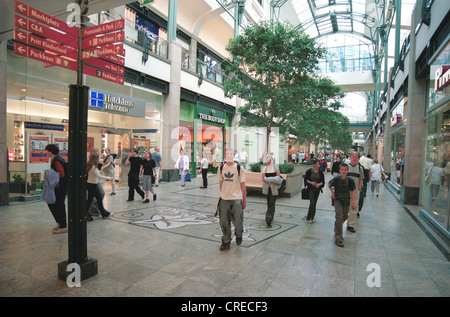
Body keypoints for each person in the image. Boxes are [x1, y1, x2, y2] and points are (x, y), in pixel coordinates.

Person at [217, 148, 247, 251]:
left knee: (238, 221)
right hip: (224, 199)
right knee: (224, 222)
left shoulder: (239, 168)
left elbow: (243, 185)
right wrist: (223, 194)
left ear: (234, 155)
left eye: (231, 154)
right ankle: (226, 241)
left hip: (236, 199)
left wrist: (244, 200)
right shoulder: (221, 168)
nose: (229, 155)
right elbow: (221, 183)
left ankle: (239, 234)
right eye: (227, 154)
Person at [328, 163, 356, 247]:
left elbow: (353, 191)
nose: (343, 171)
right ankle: (339, 237)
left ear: (347, 171)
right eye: (342, 170)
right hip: (338, 200)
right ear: (340, 170)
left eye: (345, 170)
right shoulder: (336, 179)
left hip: (346, 201)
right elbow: (329, 184)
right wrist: (332, 193)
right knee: (339, 216)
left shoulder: (350, 180)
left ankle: (337, 227)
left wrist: (353, 202)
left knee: (345, 217)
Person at [44, 144, 68, 234]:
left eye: (47, 151)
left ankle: (63, 225)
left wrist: (51, 175)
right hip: (59, 186)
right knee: (55, 204)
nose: (46, 153)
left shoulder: (57, 161)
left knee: (59, 204)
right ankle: (60, 222)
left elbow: (61, 174)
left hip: (60, 186)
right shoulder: (56, 160)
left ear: (51, 152)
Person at [86, 153, 112, 220]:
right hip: (93, 185)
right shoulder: (94, 167)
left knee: (98, 199)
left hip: (92, 184)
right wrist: (109, 178)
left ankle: (103, 213)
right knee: (90, 200)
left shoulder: (90, 165)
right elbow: (99, 176)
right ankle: (85, 214)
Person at [262, 154, 282, 228]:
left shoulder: (276, 168)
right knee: (269, 203)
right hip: (267, 188)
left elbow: (278, 178)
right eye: (268, 160)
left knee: (272, 203)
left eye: (270, 160)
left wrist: (271, 180)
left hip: (274, 188)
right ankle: (269, 217)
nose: (269, 161)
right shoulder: (265, 169)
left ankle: (269, 220)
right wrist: (272, 180)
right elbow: (263, 179)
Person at [346, 151, 364, 233]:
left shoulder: (360, 168)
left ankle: (351, 225)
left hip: (356, 190)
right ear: (350, 157)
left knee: (354, 207)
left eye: (356, 157)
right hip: (346, 190)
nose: (354, 158)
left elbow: (361, 179)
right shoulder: (346, 167)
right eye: (353, 156)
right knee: (345, 207)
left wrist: (359, 189)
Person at [304, 159, 325, 224]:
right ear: (313, 164)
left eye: (318, 164)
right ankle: (310, 217)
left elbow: (322, 182)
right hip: (310, 189)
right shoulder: (309, 171)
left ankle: (311, 217)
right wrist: (312, 183)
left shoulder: (320, 172)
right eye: (316, 164)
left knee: (314, 203)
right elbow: (306, 180)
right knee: (312, 202)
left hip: (317, 190)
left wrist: (319, 184)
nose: (317, 165)